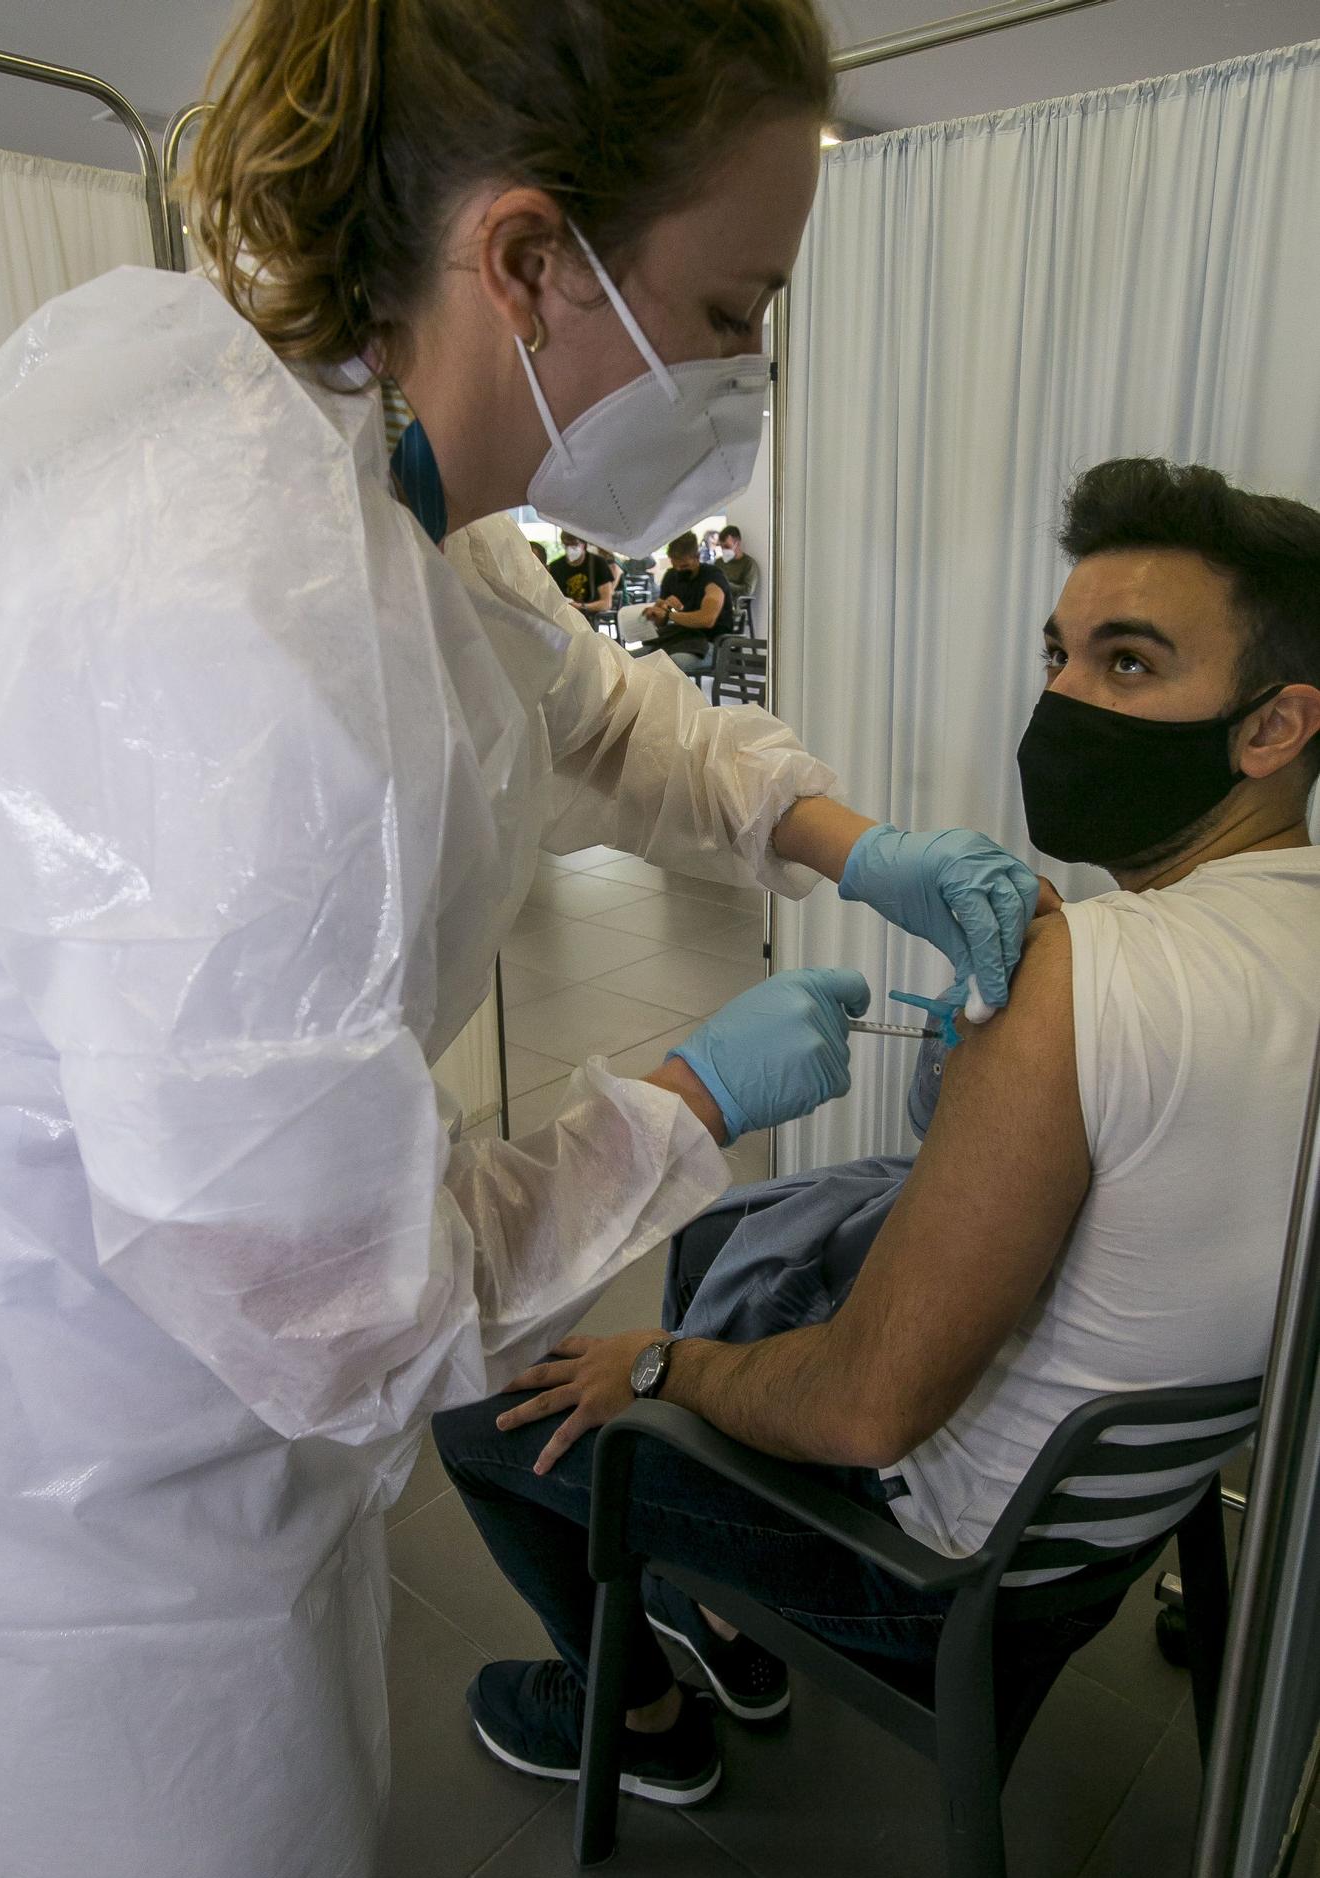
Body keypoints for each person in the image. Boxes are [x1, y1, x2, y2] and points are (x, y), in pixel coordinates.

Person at [0, 2, 1045, 1878]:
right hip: (108, 1480)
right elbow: (355, 1320)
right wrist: (691, 1102)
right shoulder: (237, 632)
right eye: (734, 304)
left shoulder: (363, 468)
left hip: (178, 1335)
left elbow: (600, 705)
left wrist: (844, 839)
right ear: (535, 259)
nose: (746, 372)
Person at [432, 457, 1320, 1803]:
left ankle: (643, 1718)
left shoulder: (1090, 974)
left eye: (1129, 664)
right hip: (1107, 1526)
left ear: (1276, 725)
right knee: (737, 1238)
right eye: (1060, 654)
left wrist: (655, 1375)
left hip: (938, 1582)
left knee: (485, 1411)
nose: (1065, 700)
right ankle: (710, 1617)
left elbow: (864, 1408)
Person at [637, 529, 735, 674]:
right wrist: (658, 612)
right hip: (679, 640)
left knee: (669, 664)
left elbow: (707, 619)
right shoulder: (671, 575)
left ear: (697, 557)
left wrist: (669, 614)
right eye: (675, 566)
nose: (679, 570)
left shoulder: (712, 577)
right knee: (631, 659)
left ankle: (667, 697)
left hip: (710, 643)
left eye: (684, 566)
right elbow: (661, 623)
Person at [548, 534, 616, 618]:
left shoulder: (598, 564)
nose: (570, 548)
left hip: (590, 616)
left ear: (584, 544)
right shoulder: (556, 567)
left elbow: (606, 603)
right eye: (566, 545)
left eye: (574, 544)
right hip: (563, 616)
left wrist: (581, 607)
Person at [719, 522, 761, 599]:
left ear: (737, 544)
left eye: (727, 546)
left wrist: (726, 584)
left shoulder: (749, 564)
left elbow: (748, 591)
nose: (724, 550)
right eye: (721, 547)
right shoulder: (719, 563)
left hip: (735, 607)